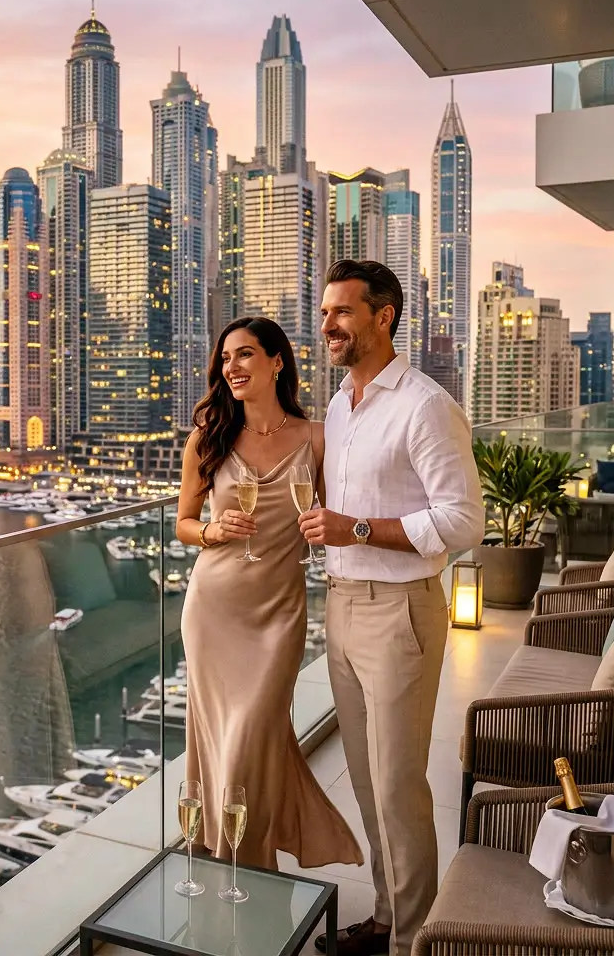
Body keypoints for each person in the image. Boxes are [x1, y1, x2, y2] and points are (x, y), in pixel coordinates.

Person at [298, 260, 484, 956]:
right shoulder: (340, 406)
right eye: (324, 312)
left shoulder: (426, 406)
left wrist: (354, 528)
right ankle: (386, 919)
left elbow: (464, 520)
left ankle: (413, 942)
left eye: (342, 312)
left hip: (400, 609)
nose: (328, 325)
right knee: (368, 782)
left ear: (384, 316)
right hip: (342, 605)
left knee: (399, 785)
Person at [176, 315, 363, 872]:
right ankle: (234, 862)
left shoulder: (317, 438)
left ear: (277, 361)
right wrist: (213, 531)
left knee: (253, 736)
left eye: (245, 354)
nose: (232, 367)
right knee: (222, 739)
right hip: (214, 609)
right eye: (225, 358)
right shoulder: (208, 438)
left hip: (279, 612)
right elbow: (184, 523)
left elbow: (337, 514)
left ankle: (242, 859)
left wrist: (332, 528)